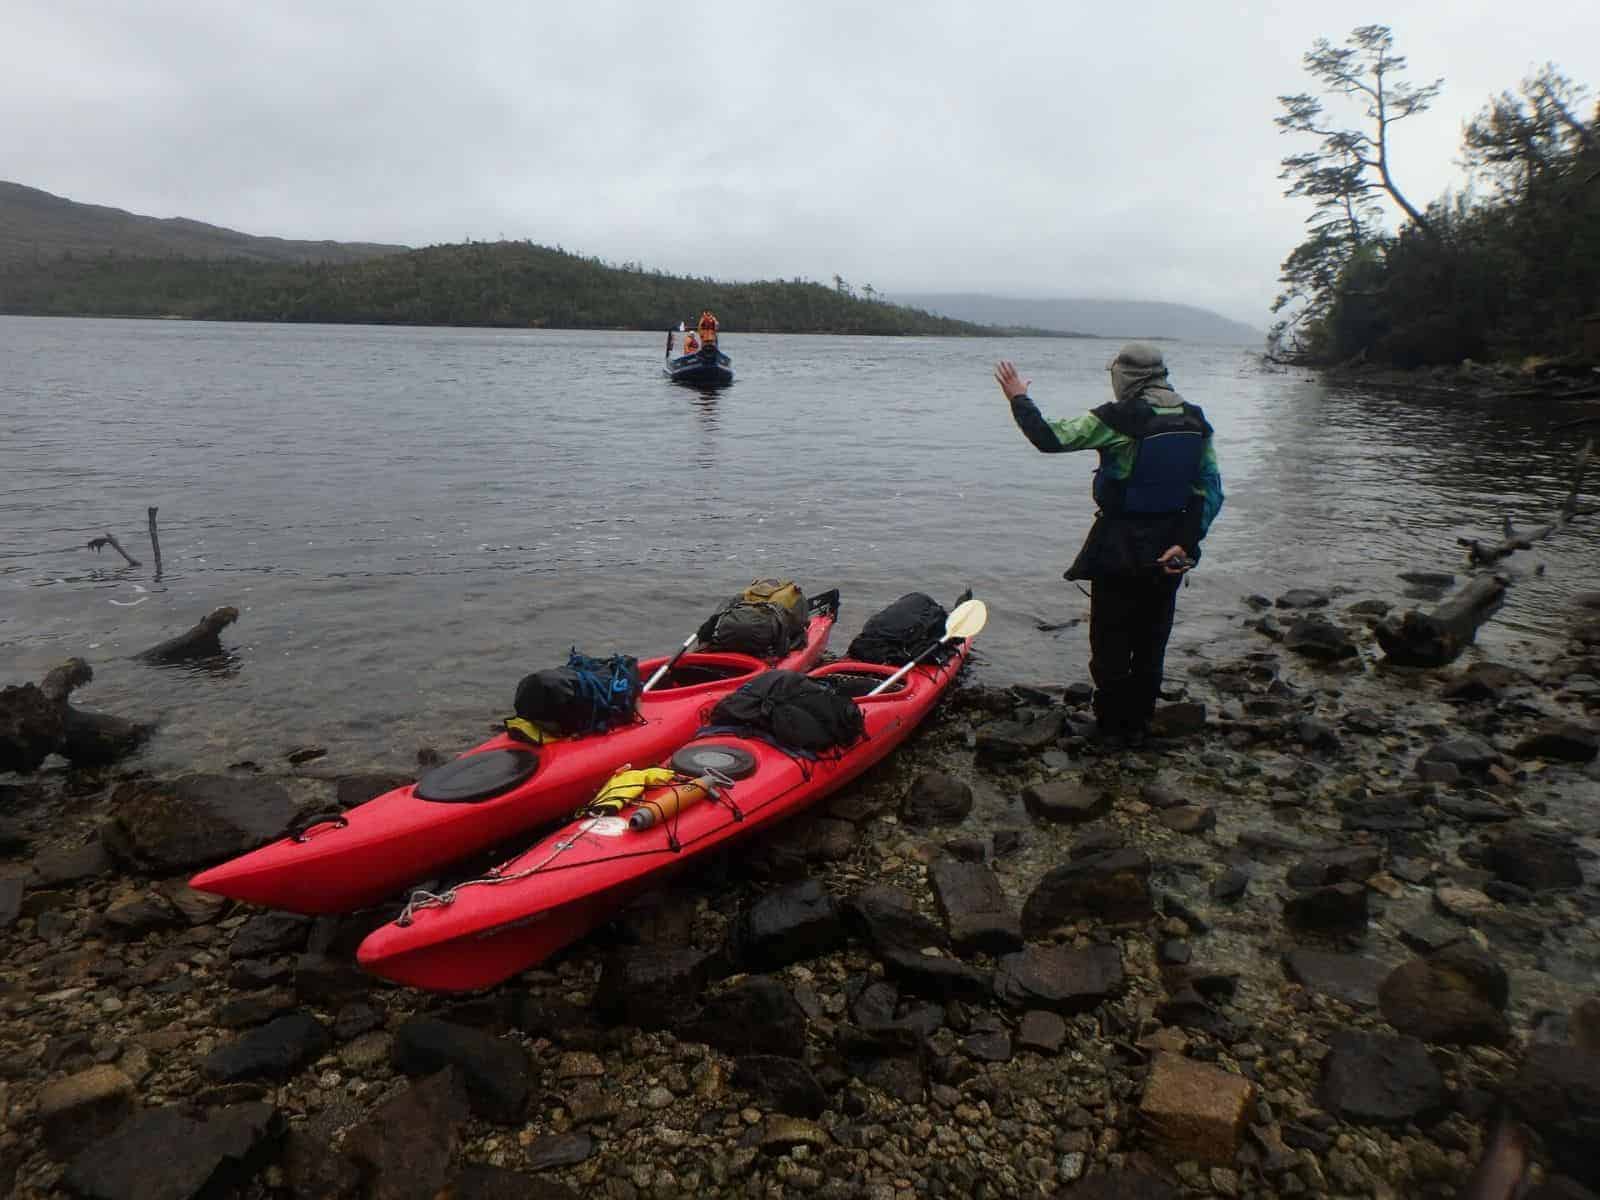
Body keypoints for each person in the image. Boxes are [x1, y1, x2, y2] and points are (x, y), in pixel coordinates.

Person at [995, 343, 1223, 745]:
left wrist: (1018, 397)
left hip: (1120, 547)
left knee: (1110, 638)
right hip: (1172, 550)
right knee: (1153, 636)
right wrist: (1187, 543)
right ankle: (1141, 720)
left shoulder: (1118, 418)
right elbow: (1210, 489)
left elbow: (1049, 437)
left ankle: (1112, 729)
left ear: (1125, 378)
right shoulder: (1195, 419)